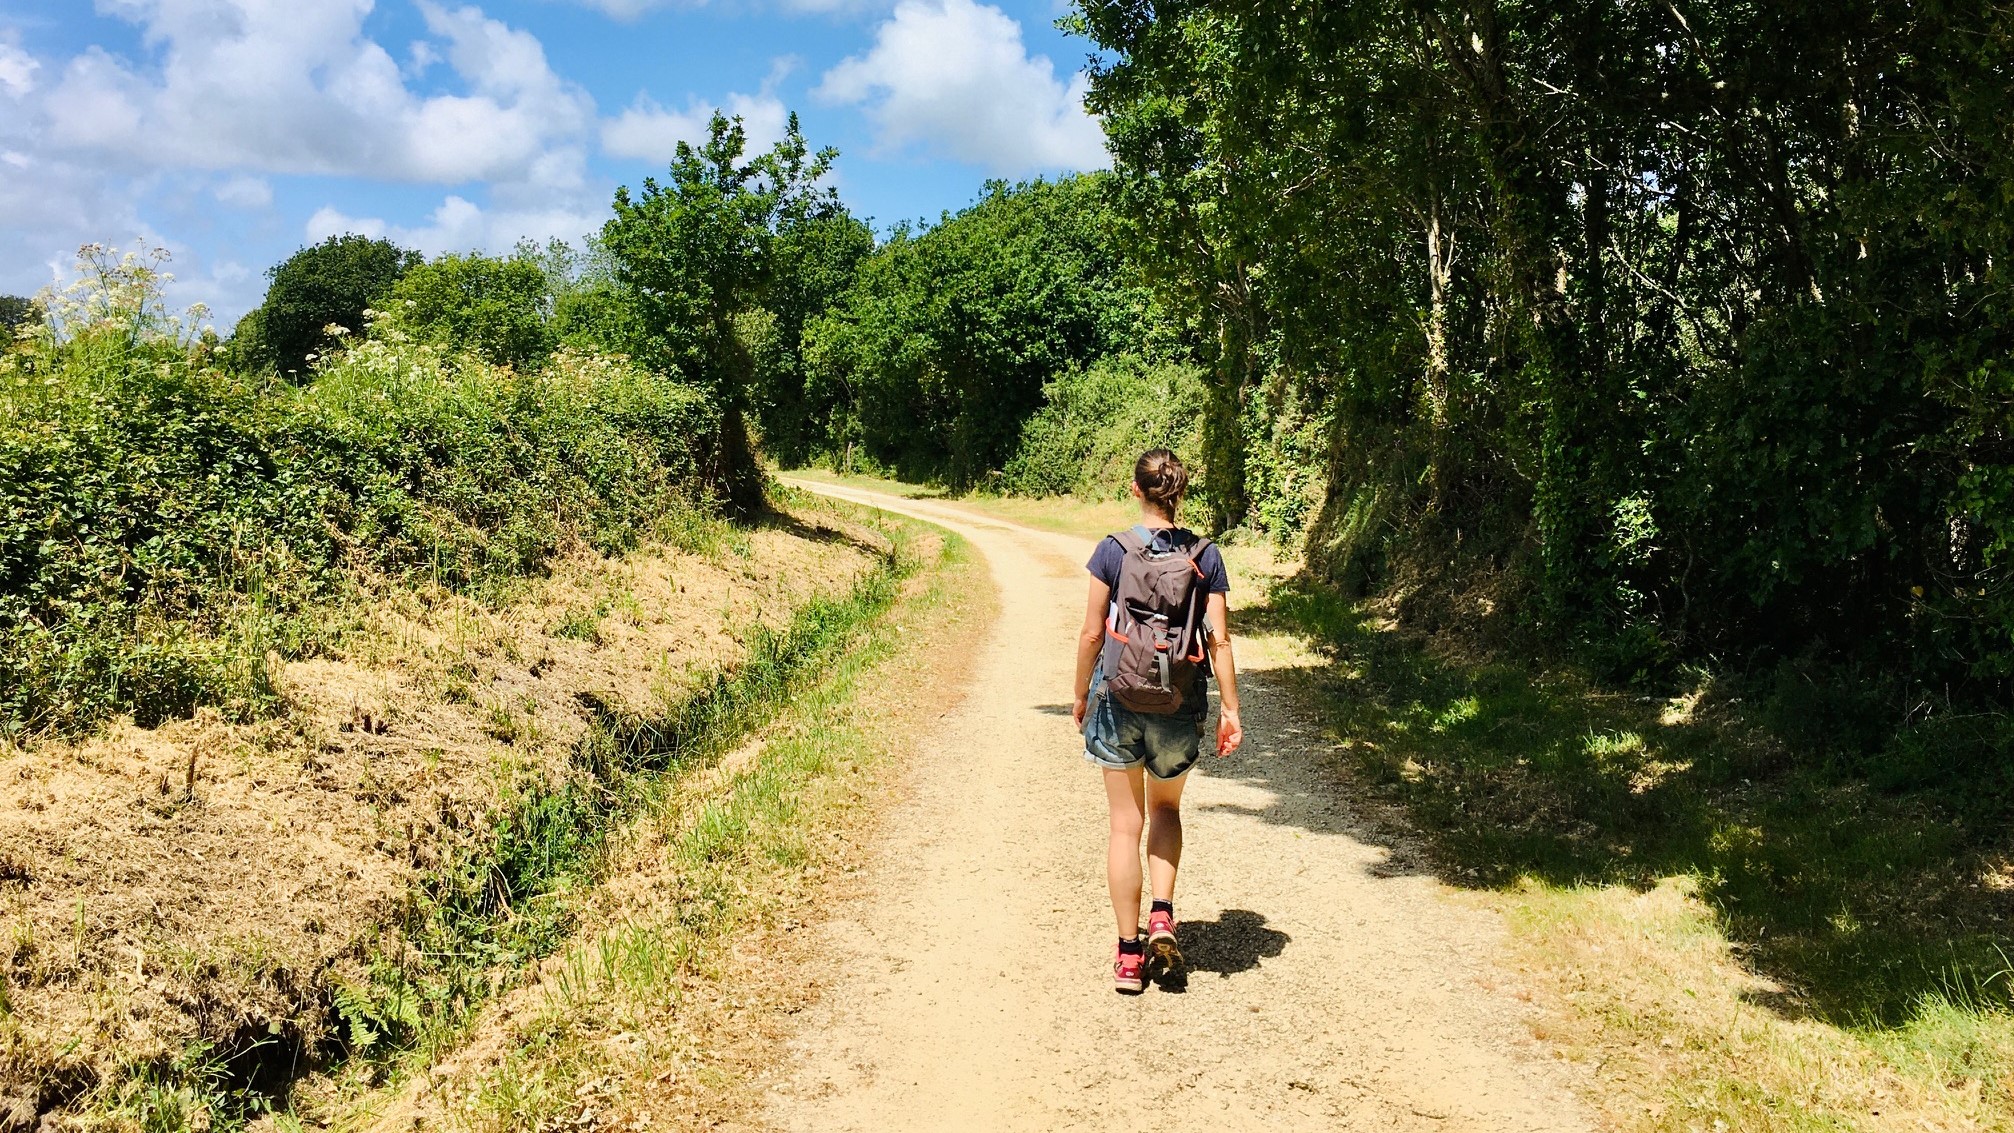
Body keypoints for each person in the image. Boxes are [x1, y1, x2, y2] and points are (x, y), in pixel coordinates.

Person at [1072, 449, 1244, 994]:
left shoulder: (1113, 550)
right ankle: (1163, 917)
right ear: (1180, 493)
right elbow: (1219, 639)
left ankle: (1127, 956)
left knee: (1126, 823)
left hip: (1118, 697)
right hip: (1179, 700)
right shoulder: (1205, 555)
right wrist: (1231, 710)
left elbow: (1092, 633)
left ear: (1135, 489)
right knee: (1166, 807)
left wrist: (1080, 693)